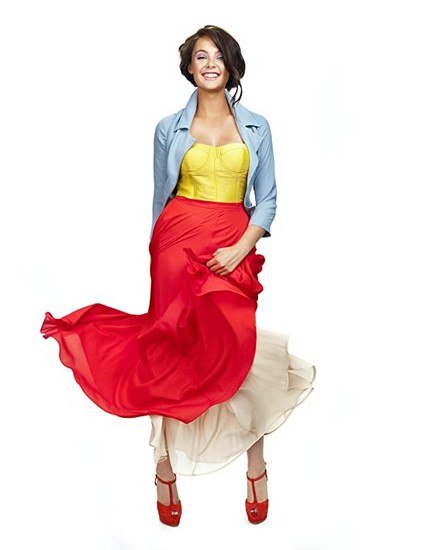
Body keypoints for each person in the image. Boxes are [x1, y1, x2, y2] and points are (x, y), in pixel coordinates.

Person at [40, 24, 316, 527]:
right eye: (201, 56)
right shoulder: (168, 127)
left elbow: (269, 199)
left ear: (231, 66)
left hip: (232, 246)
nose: (210, 64)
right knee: (168, 352)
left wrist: (241, 248)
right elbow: (160, 197)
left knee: (236, 350)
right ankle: (164, 469)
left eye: (219, 56)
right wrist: (159, 252)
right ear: (189, 67)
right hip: (176, 247)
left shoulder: (257, 127)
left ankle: (256, 466)